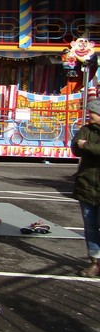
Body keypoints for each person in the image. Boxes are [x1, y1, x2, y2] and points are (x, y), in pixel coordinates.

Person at [70, 98, 100, 278]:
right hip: (86, 184)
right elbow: (75, 148)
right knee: (90, 226)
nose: (89, 115)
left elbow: (85, 147)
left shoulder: (87, 136)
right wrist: (82, 146)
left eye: (93, 112)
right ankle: (95, 262)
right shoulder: (85, 130)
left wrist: (86, 145)